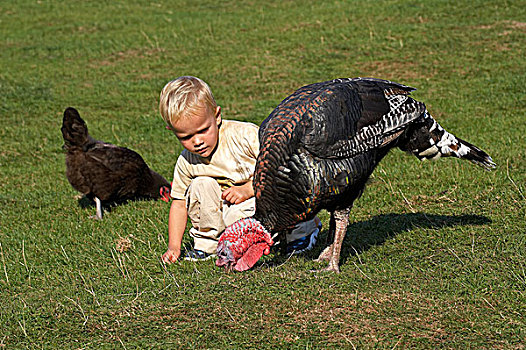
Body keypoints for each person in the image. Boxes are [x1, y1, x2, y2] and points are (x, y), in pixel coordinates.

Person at [159, 76, 321, 263]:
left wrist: (247, 189)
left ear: (217, 116)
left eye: (203, 130)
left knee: (287, 181)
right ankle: (208, 244)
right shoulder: (187, 162)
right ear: (172, 131)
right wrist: (174, 246)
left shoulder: (244, 137)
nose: (197, 142)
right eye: (186, 137)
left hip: (265, 198)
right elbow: (179, 204)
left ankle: (302, 231)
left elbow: (281, 168)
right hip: (237, 213)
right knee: (199, 185)